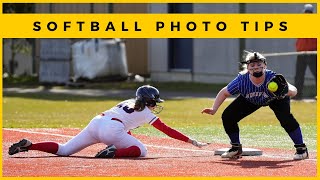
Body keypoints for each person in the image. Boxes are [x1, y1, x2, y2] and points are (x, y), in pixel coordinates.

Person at [8, 85, 208, 158]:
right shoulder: (146, 112)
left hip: (96, 122)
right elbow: (167, 130)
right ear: (148, 101)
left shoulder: (129, 101)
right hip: (112, 129)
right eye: (154, 101)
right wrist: (191, 141)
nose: (155, 104)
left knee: (64, 150)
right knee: (142, 151)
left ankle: (30, 145)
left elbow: (124, 121)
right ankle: (113, 152)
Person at [201, 51, 308, 160]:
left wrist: (285, 91)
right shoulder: (241, 80)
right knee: (228, 116)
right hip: (251, 100)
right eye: (252, 65)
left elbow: (294, 91)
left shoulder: (273, 77)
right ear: (247, 68)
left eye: (259, 64)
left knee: (286, 118)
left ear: (265, 65)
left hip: (275, 99)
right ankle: (235, 148)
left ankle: (301, 149)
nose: (256, 67)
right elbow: (224, 92)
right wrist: (214, 108)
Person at [294, 4, 317, 99]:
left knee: (314, 74)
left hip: (311, 52)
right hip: (303, 52)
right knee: (299, 75)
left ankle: (297, 95)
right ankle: (297, 95)